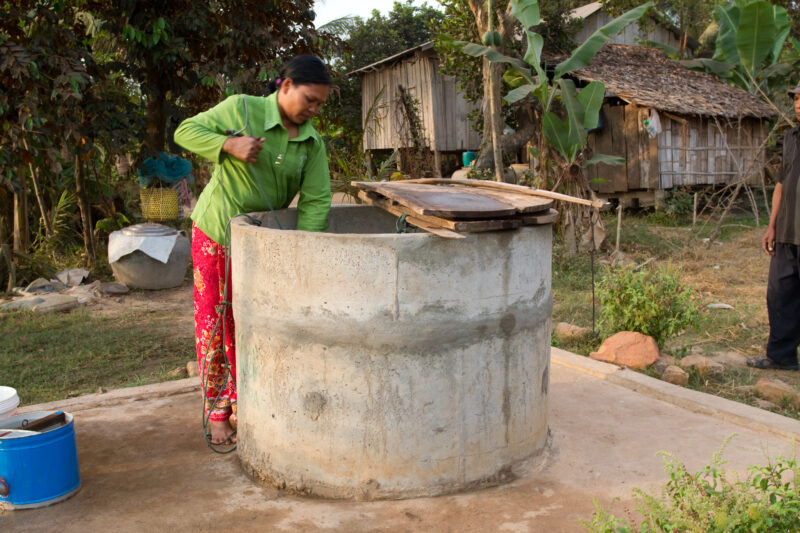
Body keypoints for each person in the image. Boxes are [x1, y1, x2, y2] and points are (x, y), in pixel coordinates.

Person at [174, 56, 333, 444]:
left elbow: (316, 201)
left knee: (253, 325)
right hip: (217, 233)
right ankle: (217, 413)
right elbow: (185, 131)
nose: (313, 110)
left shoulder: (311, 142)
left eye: (319, 104)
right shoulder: (242, 109)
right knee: (214, 322)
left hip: (265, 246)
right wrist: (228, 143)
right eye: (309, 100)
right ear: (286, 86)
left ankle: (254, 406)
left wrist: (302, 252)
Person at [747, 82, 800, 371]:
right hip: (787, 234)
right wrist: (771, 226)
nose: (798, 103)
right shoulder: (791, 138)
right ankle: (782, 356)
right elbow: (780, 184)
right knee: (780, 295)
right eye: (796, 98)